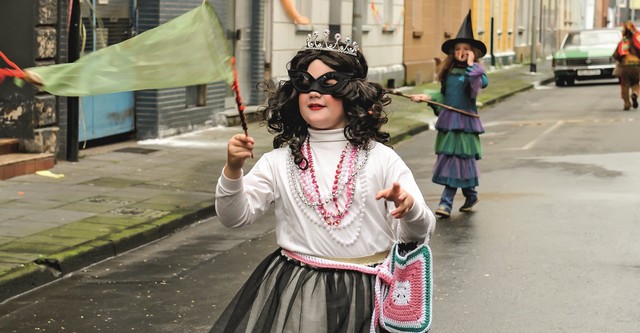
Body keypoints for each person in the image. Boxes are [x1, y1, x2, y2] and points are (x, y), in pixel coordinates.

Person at [210, 30, 436, 332]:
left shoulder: (382, 159)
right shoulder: (278, 162)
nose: (314, 92)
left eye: (328, 83)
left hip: (368, 293)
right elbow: (234, 218)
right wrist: (233, 171)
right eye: (305, 83)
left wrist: (409, 210)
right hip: (299, 290)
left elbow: (419, 232)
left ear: (352, 92)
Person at [409, 10, 488, 218]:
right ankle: (471, 195)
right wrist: (425, 96)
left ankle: (446, 203)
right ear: (453, 52)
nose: (461, 52)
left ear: (473, 53)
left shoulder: (477, 73)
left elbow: (478, 85)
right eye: (458, 49)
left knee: (459, 162)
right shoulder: (448, 73)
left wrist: (472, 66)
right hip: (448, 122)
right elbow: (443, 97)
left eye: (466, 49)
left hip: (465, 124)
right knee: (454, 161)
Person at [613, 21, 640, 111]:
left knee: (625, 85)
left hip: (625, 67)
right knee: (636, 83)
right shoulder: (638, 40)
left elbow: (617, 55)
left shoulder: (623, 42)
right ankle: (635, 94)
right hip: (637, 66)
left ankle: (627, 103)